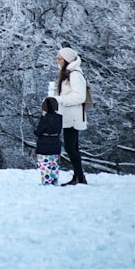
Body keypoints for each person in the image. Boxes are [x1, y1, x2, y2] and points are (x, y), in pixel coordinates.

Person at [53, 46, 88, 186]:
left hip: (73, 117)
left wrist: (60, 100)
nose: (58, 61)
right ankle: (78, 176)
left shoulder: (75, 74)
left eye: (60, 59)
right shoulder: (68, 73)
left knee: (70, 147)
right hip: (68, 116)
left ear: (66, 60)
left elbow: (80, 97)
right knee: (73, 147)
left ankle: (79, 177)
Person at [34, 97, 63, 185]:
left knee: (44, 164)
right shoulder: (59, 118)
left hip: (44, 144)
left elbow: (39, 132)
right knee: (53, 163)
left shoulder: (45, 119)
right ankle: (54, 179)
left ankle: (46, 180)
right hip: (55, 143)